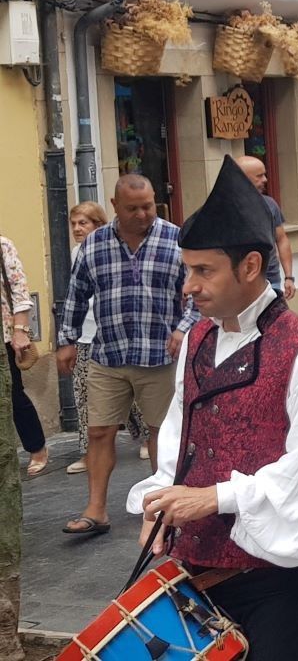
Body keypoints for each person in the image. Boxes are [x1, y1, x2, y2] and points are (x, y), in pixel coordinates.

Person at [128, 155, 298, 660]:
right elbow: (177, 439)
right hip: (193, 576)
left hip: (276, 587)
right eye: (189, 270)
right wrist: (162, 502)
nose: (189, 286)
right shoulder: (198, 338)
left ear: (250, 266)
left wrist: (214, 498)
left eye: (203, 270)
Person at [57, 174, 197, 536]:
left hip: (160, 355)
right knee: (100, 430)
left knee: (161, 435)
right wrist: (67, 340)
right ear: (115, 206)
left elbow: (198, 291)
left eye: (148, 205)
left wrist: (184, 329)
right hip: (109, 354)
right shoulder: (95, 245)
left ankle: (161, 507)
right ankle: (96, 510)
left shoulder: (176, 239)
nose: (142, 214)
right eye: (132, 208)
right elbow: (76, 294)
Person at [66, 202, 147, 475]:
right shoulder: (77, 253)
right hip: (85, 336)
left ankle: (148, 437)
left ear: (99, 225)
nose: (77, 229)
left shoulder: (117, 250)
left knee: (133, 394)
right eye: (74, 224)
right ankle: (89, 452)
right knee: (84, 397)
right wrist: (68, 338)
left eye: (83, 223)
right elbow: (73, 298)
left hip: (114, 334)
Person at [2, 233, 47, 475]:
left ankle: (36, 447)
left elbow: (20, 292)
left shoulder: (3, 246)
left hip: (4, 337)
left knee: (13, 395)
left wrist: (21, 331)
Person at [235, 155, 295, 300]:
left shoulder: (270, 205)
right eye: (259, 176)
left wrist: (289, 277)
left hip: (270, 281)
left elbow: (281, 240)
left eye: (265, 174)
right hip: (238, 285)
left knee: (274, 322)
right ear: (243, 178)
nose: (265, 180)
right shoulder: (225, 208)